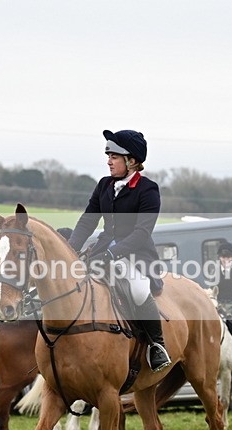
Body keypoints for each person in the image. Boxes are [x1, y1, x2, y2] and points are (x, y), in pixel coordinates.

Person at [67, 129, 170, 372]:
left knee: (137, 287)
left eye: (114, 156)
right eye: (108, 155)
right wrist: (69, 250)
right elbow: (87, 221)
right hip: (101, 252)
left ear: (131, 161)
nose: (108, 160)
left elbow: (142, 232)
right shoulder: (104, 185)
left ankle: (157, 345)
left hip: (136, 255)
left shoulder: (148, 189)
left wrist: (114, 254)